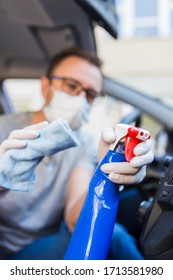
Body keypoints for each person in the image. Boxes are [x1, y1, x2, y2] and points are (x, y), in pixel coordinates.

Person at [0, 47, 153, 260]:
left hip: (50, 241)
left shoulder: (84, 143)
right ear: (46, 86)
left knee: (112, 233)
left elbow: (74, 218)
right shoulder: (3, 130)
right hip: (9, 252)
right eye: (72, 86)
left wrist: (106, 172)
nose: (81, 98)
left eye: (90, 94)